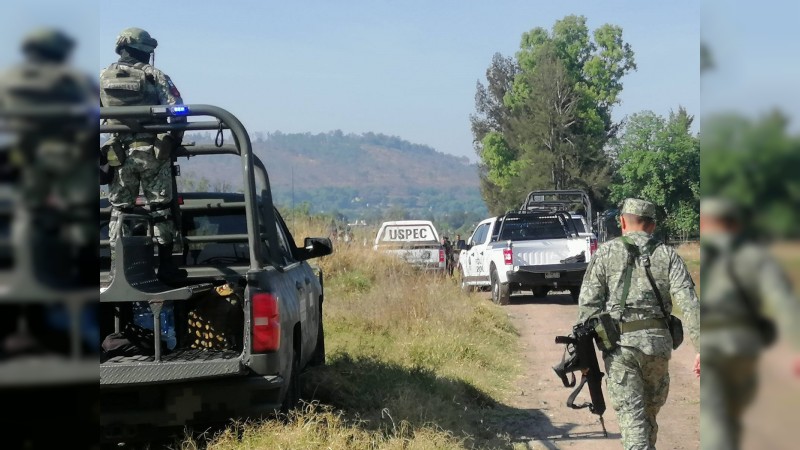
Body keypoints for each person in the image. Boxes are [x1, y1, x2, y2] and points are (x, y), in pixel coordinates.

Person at [576, 198, 701, 449]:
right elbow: (690, 304)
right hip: (658, 348)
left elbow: (587, 307)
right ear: (652, 226)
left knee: (633, 421)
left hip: (621, 348)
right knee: (647, 417)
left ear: (622, 221)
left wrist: (585, 355)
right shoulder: (668, 255)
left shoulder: (606, 253)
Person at [698, 197, 800, 449]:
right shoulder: (757, 256)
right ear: (735, 225)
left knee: (714, 419)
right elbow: (784, 302)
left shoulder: (704, 256)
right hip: (745, 346)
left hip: (711, 344)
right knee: (732, 416)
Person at [100, 27, 186, 281]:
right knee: (161, 208)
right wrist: (172, 141)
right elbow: (178, 110)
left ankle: (119, 269)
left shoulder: (102, 76)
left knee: (119, 209)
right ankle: (167, 268)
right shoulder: (154, 75)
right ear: (143, 50)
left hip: (118, 154)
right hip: (153, 154)